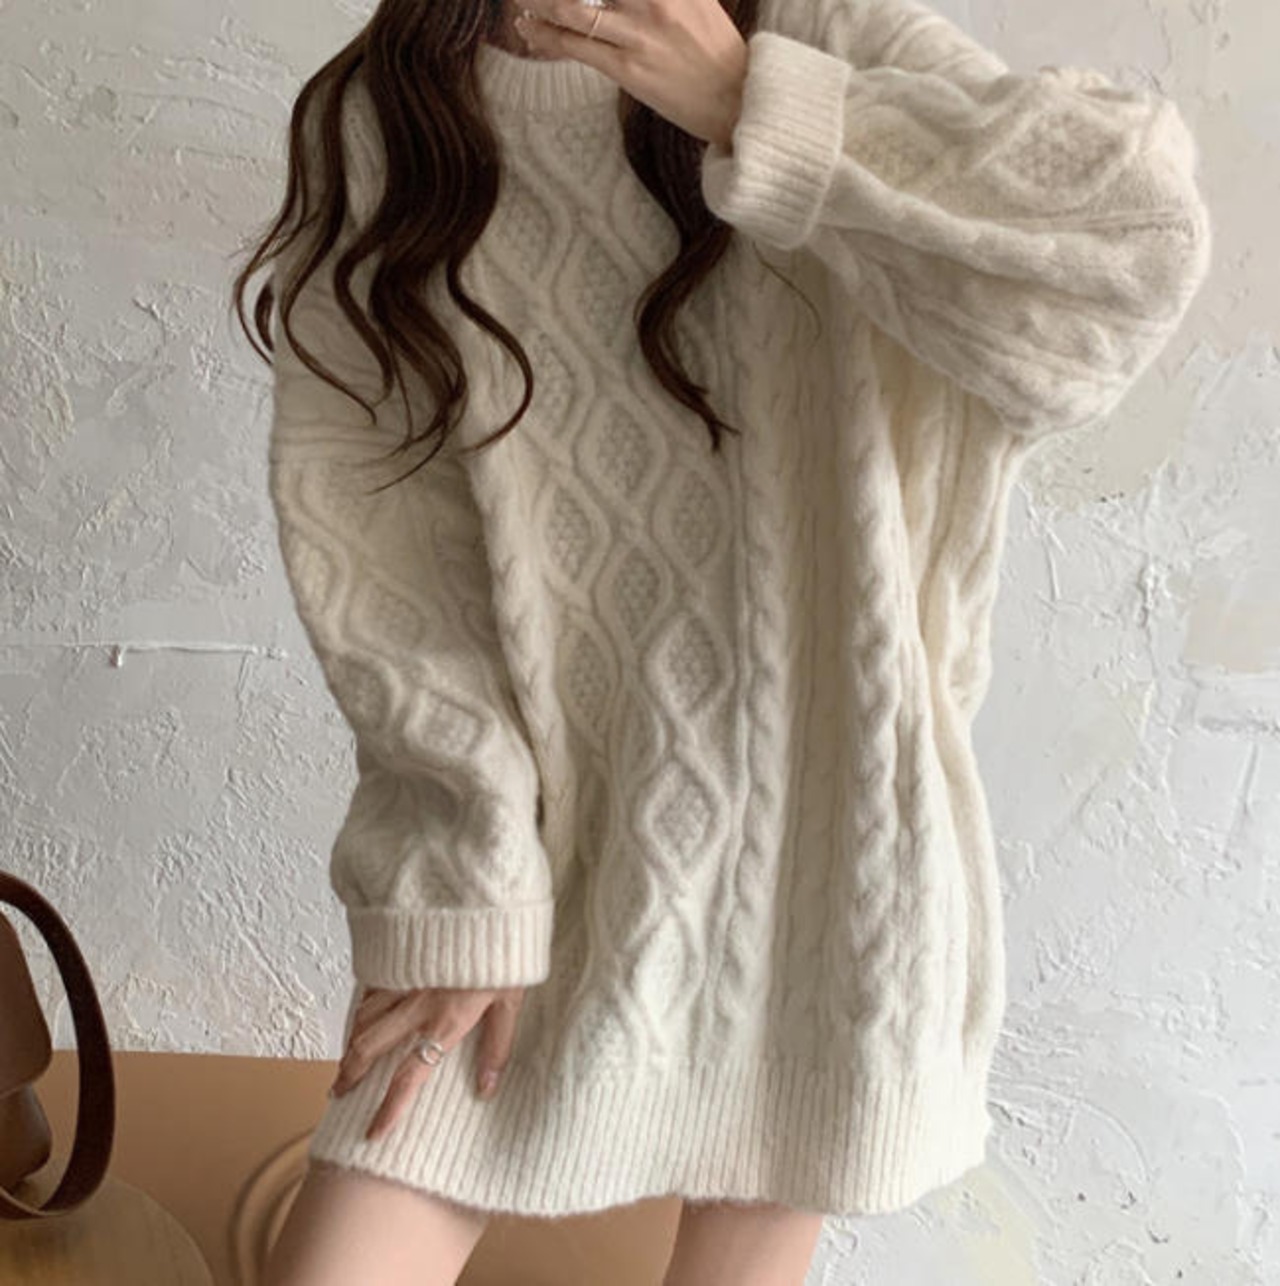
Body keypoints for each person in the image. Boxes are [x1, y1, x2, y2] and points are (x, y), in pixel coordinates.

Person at [231, 0, 1211, 1280]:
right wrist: (465, 879)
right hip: (536, 850)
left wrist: (756, 106)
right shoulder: (388, 116)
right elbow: (388, 571)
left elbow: (1134, 239)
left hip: (815, 849)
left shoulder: (814, 32)